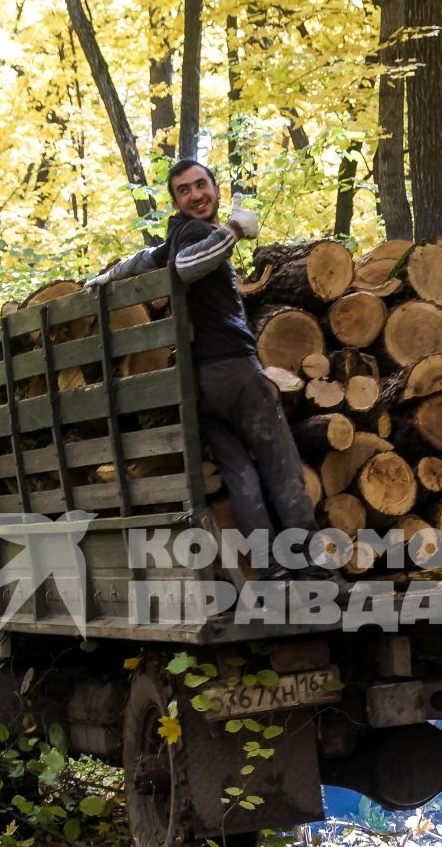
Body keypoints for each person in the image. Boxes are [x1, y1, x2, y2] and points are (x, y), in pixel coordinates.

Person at [90, 160, 330, 582]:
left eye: (201, 185)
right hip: (234, 370)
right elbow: (186, 266)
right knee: (280, 462)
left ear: (216, 189)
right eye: (185, 190)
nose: (196, 195)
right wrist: (234, 231)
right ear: (177, 201)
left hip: (199, 382)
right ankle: (305, 563)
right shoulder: (198, 234)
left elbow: (147, 260)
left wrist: (108, 276)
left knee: (240, 474)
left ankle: (271, 566)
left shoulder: (178, 234)